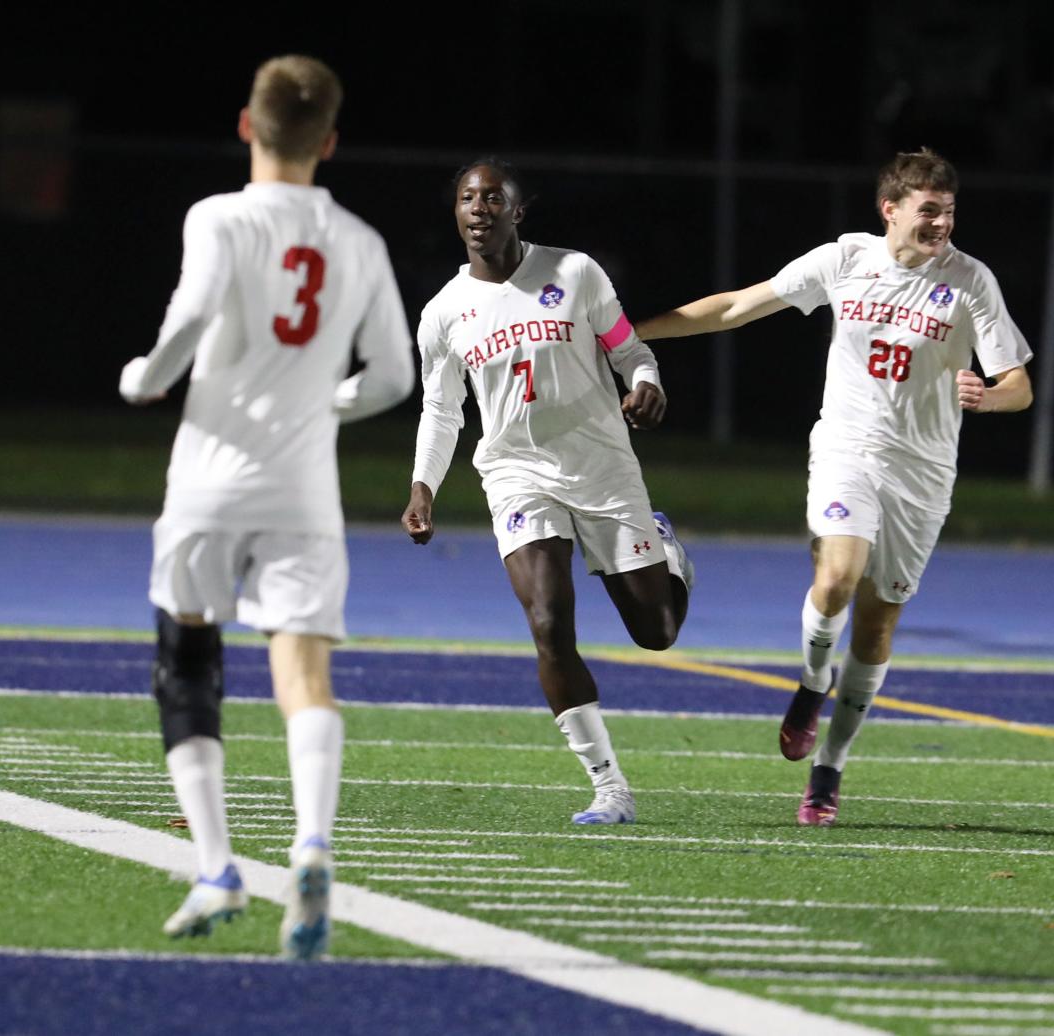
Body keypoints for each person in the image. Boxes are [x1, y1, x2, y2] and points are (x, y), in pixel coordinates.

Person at [636, 147, 1032, 827]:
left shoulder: (971, 281)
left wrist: (990, 398)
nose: (942, 223)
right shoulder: (845, 260)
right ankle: (810, 687)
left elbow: (1018, 386)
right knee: (837, 576)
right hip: (849, 449)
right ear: (891, 209)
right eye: (929, 210)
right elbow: (735, 306)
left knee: (876, 628)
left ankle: (829, 771)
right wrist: (627, 336)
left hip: (925, 473)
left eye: (950, 211)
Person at [118, 54, 414, 957]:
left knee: (187, 666)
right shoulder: (360, 241)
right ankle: (313, 843)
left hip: (209, 482)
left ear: (247, 126)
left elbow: (192, 311)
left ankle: (216, 868)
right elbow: (396, 376)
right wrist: (326, 402)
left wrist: (145, 380)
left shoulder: (218, 216)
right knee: (304, 681)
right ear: (329, 141)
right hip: (302, 492)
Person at [401, 157, 693, 826]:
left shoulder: (575, 273)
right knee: (547, 621)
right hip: (515, 472)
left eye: (493, 198)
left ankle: (667, 551)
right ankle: (610, 787)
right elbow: (442, 411)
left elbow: (631, 351)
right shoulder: (445, 312)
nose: (479, 208)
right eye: (468, 199)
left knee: (658, 631)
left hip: (601, 466)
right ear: (458, 213)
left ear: (517, 210)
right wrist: (424, 487)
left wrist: (648, 385)